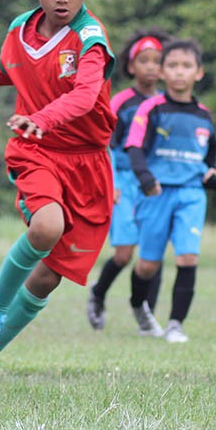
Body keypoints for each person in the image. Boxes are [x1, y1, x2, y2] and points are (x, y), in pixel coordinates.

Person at [0, 0, 115, 393]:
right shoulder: (18, 32)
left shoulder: (91, 40)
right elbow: (4, 72)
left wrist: (44, 116)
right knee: (46, 227)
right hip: (37, 151)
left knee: (47, 280)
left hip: (87, 163)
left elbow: (87, 96)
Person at [123, 38, 216, 343]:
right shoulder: (151, 109)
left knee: (188, 258)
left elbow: (209, 159)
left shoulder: (204, 116)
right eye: (173, 66)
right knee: (148, 264)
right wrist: (145, 177)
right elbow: (133, 147)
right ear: (163, 72)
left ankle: (175, 324)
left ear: (199, 72)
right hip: (156, 194)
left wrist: (212, 176)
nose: (180, 72)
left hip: (191, 195)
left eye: (186, 66)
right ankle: (139, 307)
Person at [86, 28, 171, 335]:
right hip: (122, 181)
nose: (151, 66)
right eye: (143, 60)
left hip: (155, 185)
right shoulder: (120, 102)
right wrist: (108, 183)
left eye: (156, 61)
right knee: (124, 253)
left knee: (153, 250)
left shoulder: (167, 103)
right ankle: (98, 293)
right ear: (131, 65)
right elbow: (102, 144)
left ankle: (146, 314)